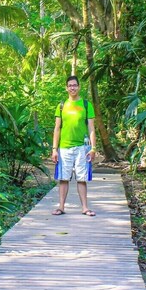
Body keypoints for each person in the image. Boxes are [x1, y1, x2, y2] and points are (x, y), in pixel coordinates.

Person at [51, 75, 97, 216]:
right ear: (66, 88)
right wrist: (54, 149)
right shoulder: (61, 106)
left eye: (75, 85)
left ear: (79, 87)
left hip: (82, 148)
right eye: (70, 85)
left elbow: (91, 128)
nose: (72, 87)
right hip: (64, 148)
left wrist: (93, 148)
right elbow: (57, 128)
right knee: (63, 178)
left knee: (81, 179)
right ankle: (61, 207)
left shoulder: (86, 105)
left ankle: (84, 207)